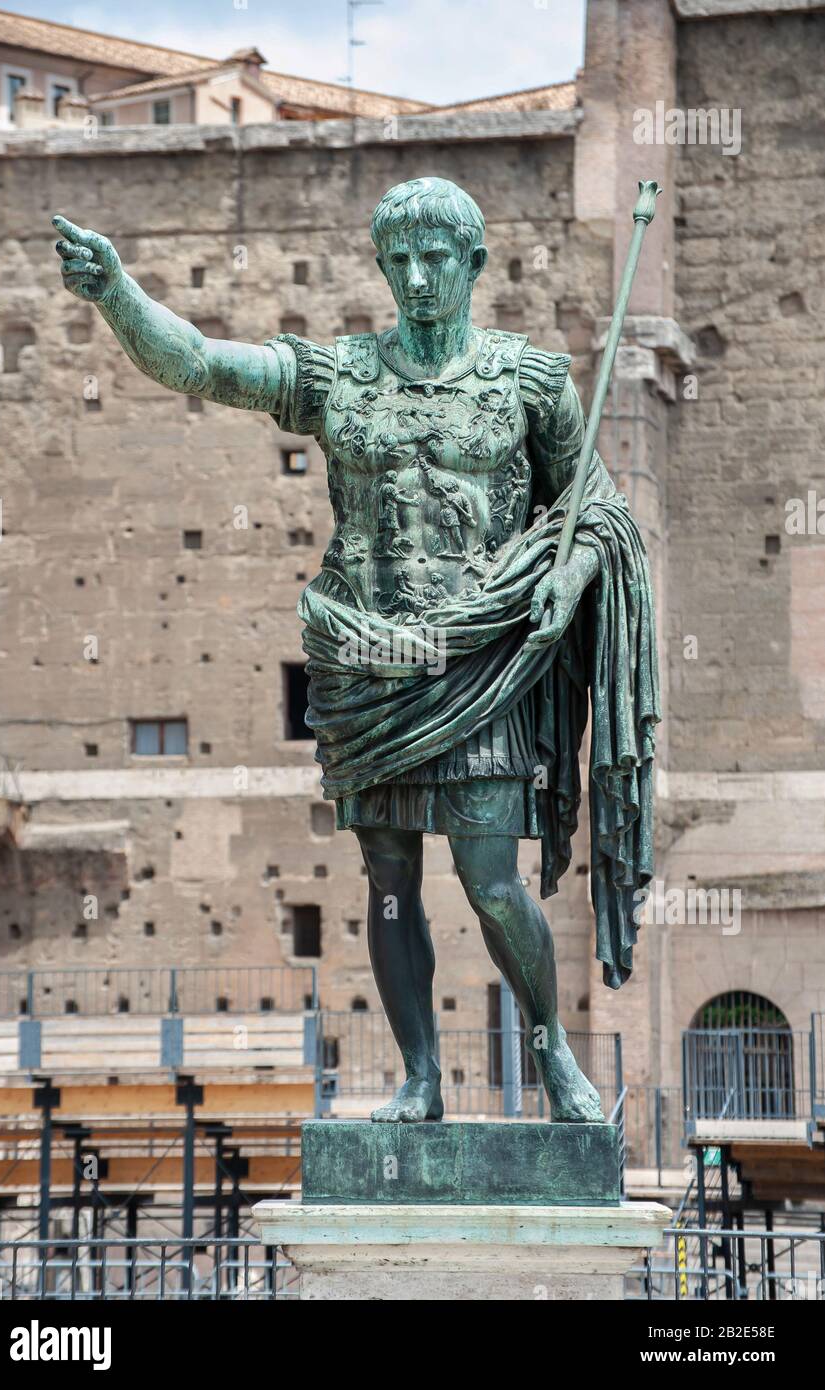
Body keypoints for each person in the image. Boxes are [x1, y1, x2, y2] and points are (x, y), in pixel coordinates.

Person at [53, 176, 659, 1123]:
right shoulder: (340, 375)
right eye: (400, 260)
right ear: (382, 266)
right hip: (364, 663)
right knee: (387, 880)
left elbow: (599, 512)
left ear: (473, 265)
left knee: (493, 881)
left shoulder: (529, 382)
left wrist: (569, 576)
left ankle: (551, 1058)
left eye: (436, 260)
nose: (417, 279)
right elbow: (204, 366)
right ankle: (419, 1076)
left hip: (477, 665)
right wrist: (116, 292)